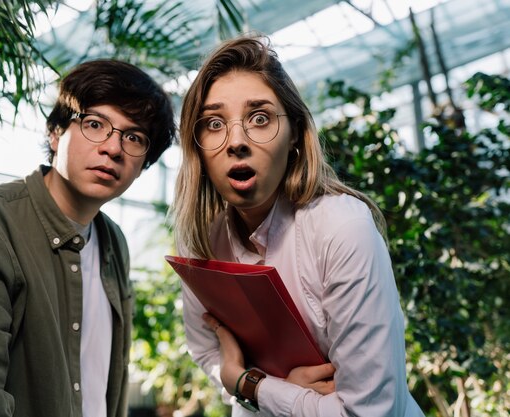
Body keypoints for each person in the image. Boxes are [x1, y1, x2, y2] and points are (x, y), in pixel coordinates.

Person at [0, 59, 175, 417]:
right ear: (56, 133)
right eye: (95, 124)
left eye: (134, 137)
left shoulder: (113, 241)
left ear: (144, 165)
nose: (113, 148)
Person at [172, 35, 424, 416]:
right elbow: (207, 351)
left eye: (260, 118)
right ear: (198, 150)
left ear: (294, 135)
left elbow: (370, 412)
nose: (236, 140)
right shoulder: (202, 244)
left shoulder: (342, 227)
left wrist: (252, 385)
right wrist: (256, 387)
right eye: (213, 123)